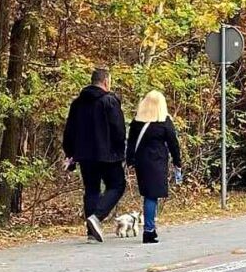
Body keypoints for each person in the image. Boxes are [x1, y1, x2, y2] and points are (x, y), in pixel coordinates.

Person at [63, 68, 127, 242]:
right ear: (106, 81)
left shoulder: (78, 103)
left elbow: (70, 130)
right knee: (117, 185)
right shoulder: (109, 101)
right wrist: (122, 150)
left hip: (85, 155)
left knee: (91, 190)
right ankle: (96, 217)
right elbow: (118, 129)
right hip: (108, 154)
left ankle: (92, 233)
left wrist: (70, 153)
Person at [126, 90, 182, 244]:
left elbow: (130, 143)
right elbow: (173, 144)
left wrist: (129, 161)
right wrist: (178, 162)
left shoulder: (136, 123)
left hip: (141, 163)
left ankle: (150, 229)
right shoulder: (164, 122)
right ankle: (149, 230)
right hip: (156, 162)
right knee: (152, 197)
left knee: (148, 195)